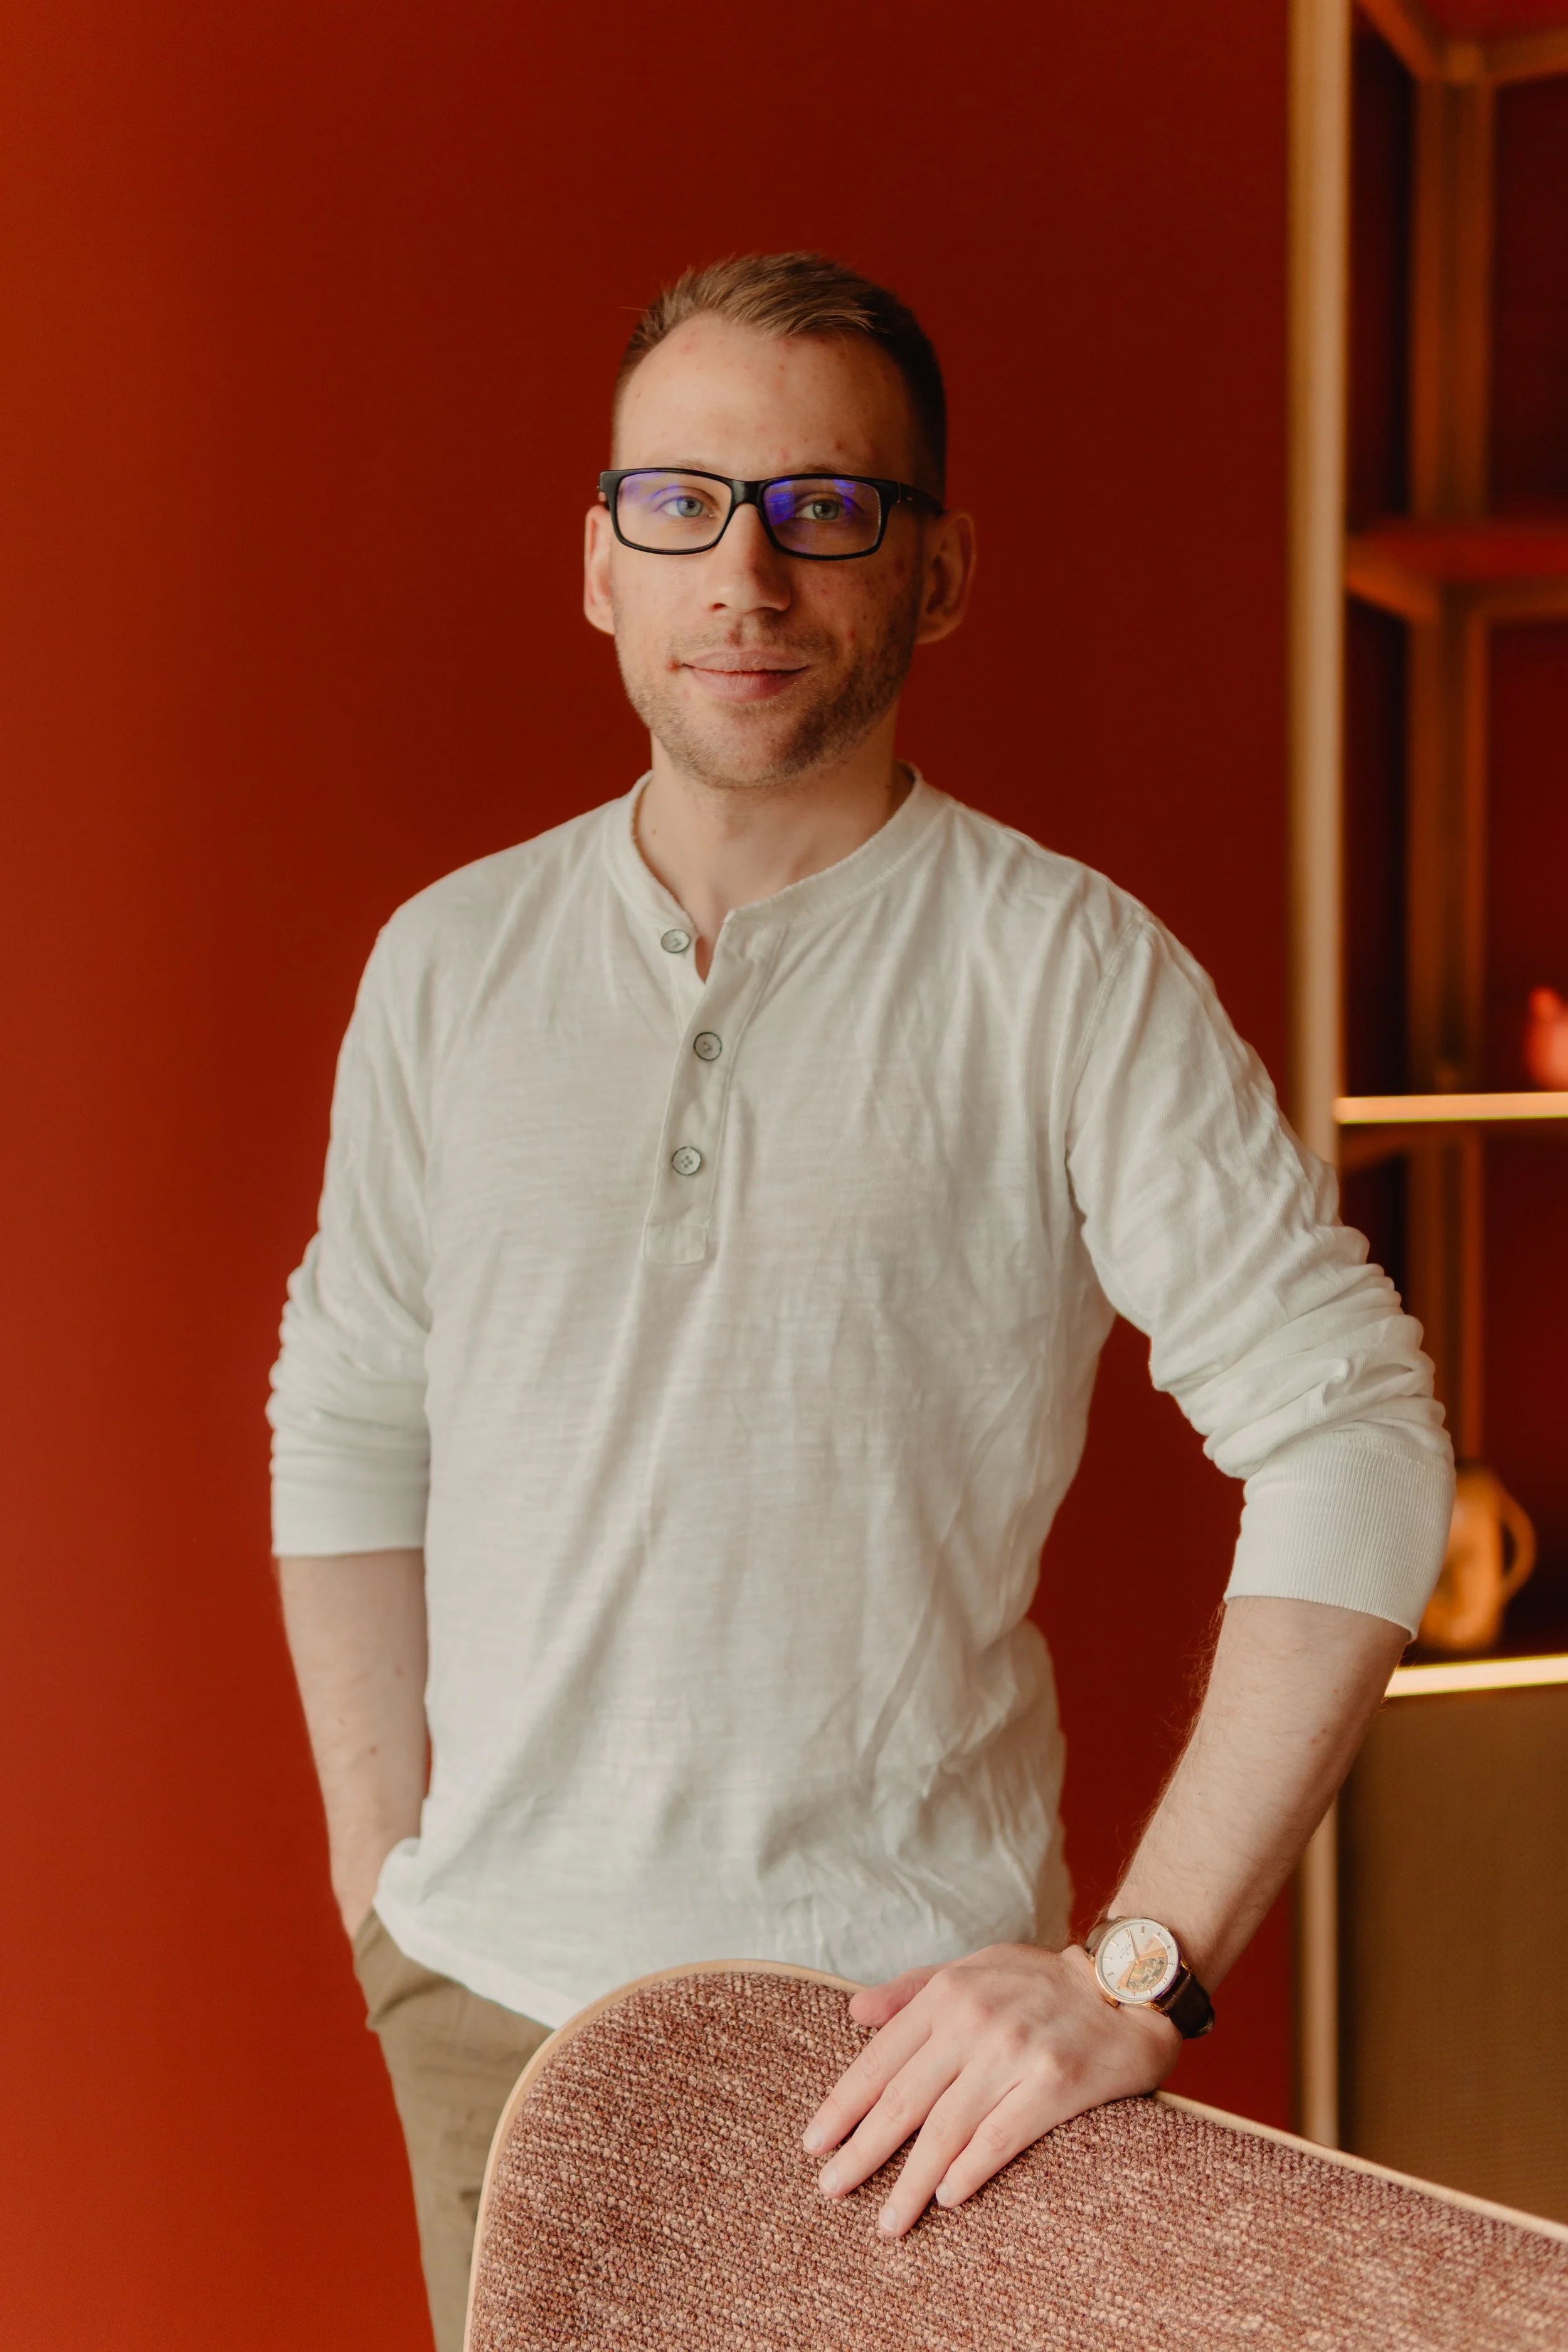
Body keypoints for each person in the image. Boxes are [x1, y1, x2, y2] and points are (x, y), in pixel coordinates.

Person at [270, 252, 1452, 2351]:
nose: (743, 573)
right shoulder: (445, 963)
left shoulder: (1066, 974)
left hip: (898, 2057)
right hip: (484, 2017)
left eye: (824, 506)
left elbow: (1353, 1438)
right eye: (679, 504)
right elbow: (352, 1406)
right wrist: (387, 1890)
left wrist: (1141, 1967)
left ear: (938, 568)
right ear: (599, 563)